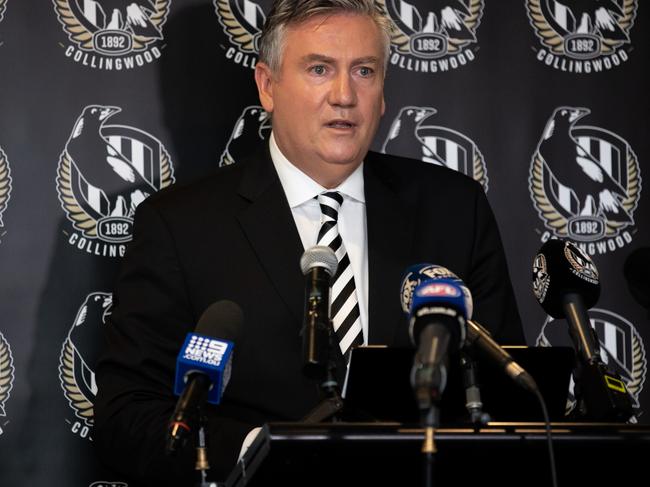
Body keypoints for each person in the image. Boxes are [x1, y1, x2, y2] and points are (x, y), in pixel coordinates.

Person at [94, 0, 524, 485]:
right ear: (267, 85)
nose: (344, 95)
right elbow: (125, 416)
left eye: (364, 70)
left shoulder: (454, 209)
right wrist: (258, 452)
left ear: (383, 92)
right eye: (319, 69)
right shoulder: (180, 225)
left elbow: (510, 395)